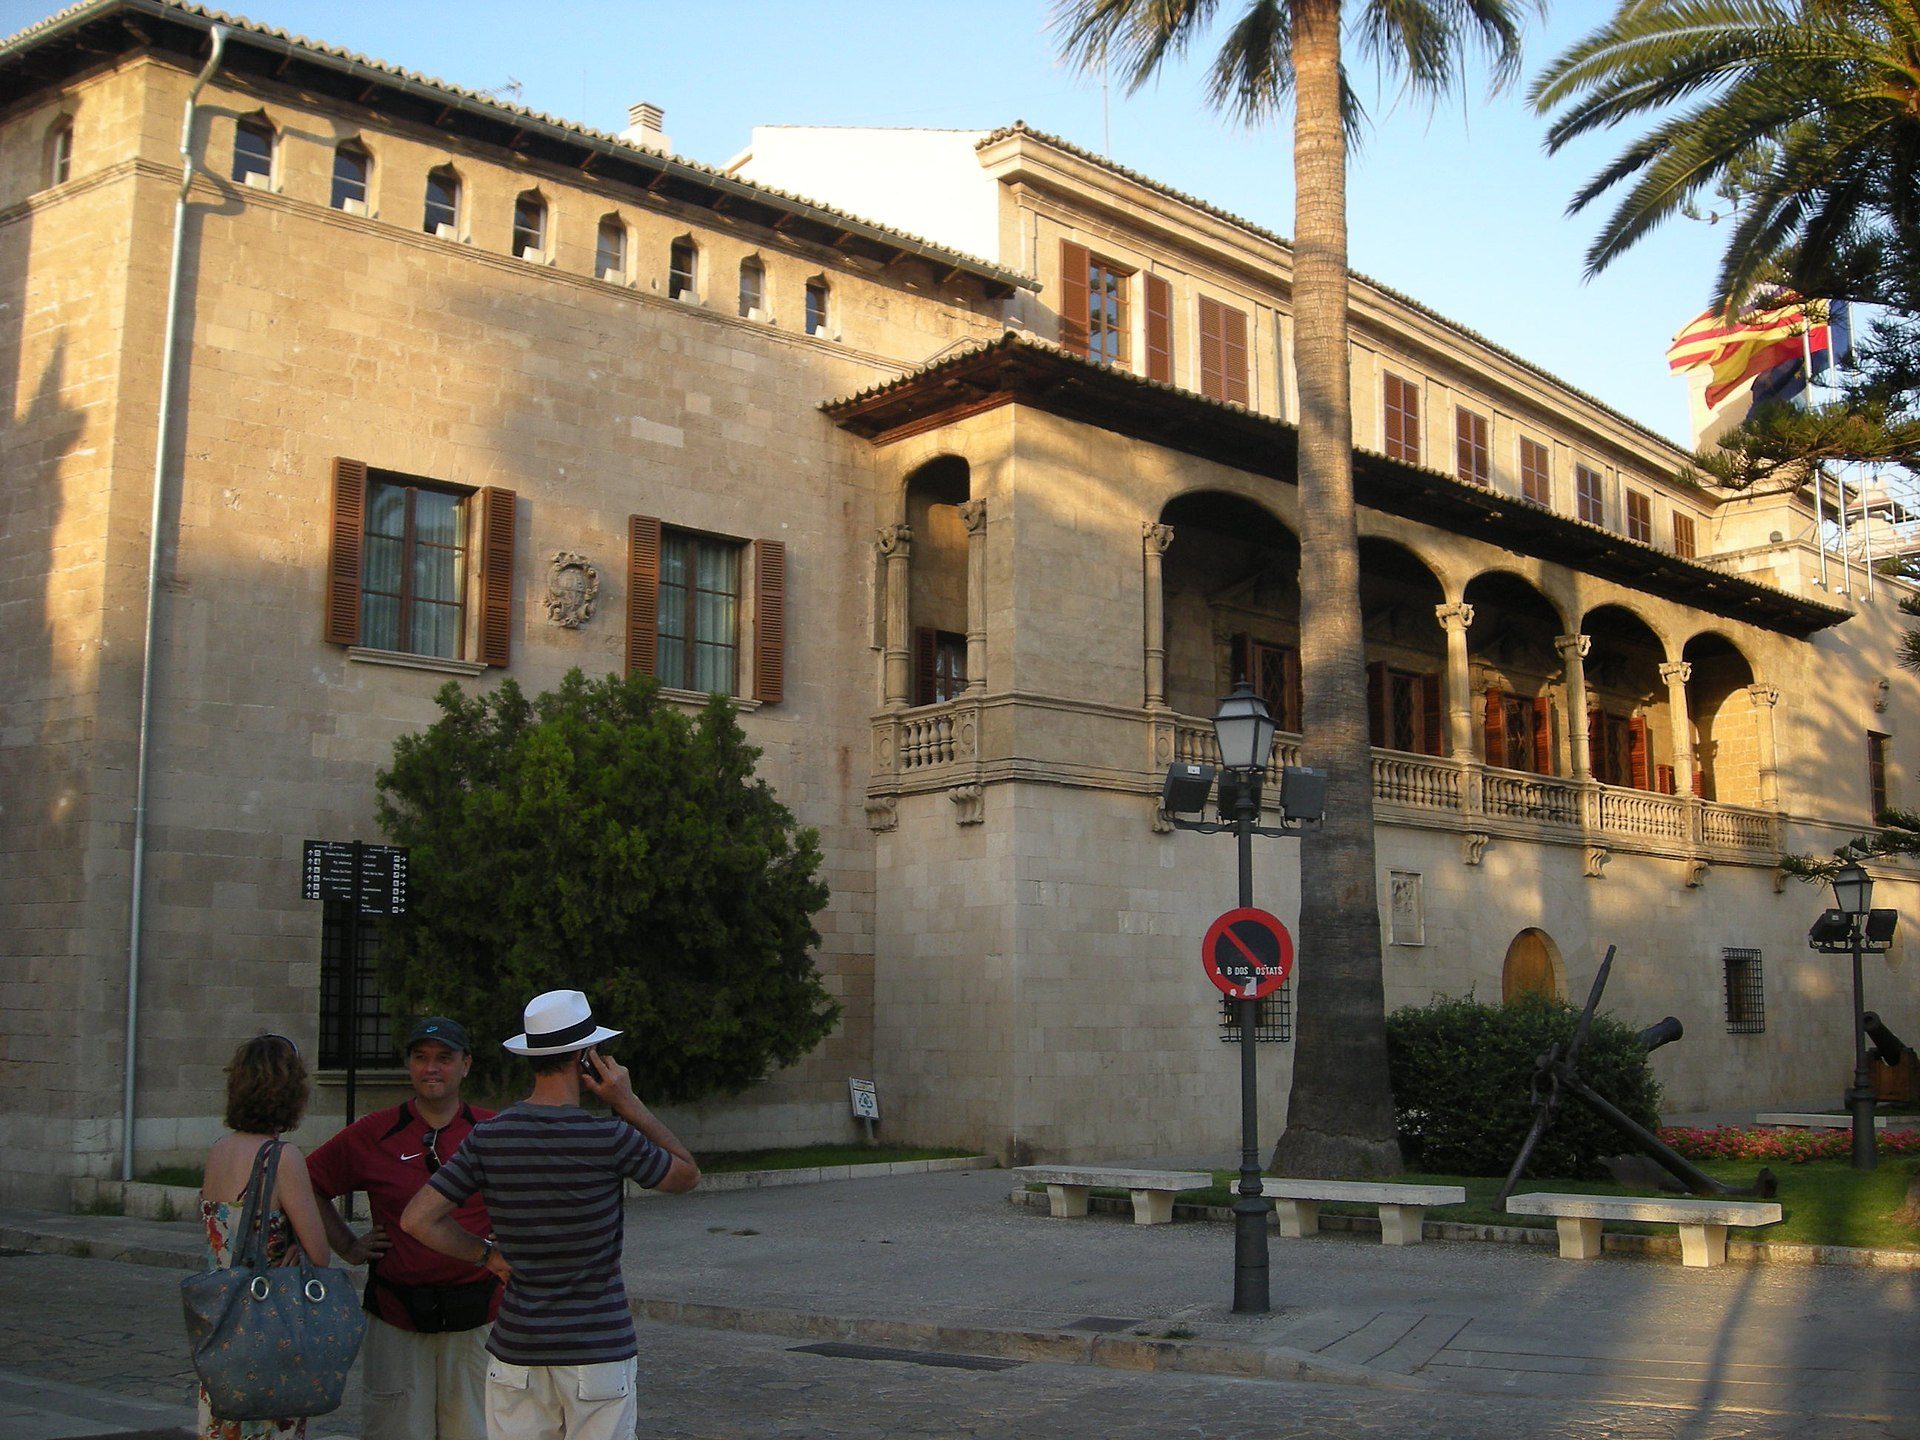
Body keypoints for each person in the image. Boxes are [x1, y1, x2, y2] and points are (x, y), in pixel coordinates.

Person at [401, 990, 699, 1440]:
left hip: (518, 1347)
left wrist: (486, 1256)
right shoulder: (608, 1135)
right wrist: (628, 1103)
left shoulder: (490, 1137)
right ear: (585, 1058)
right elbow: (686, 1175)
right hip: (597, 1344)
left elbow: (418, 1220)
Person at [307, 1017, 499, 1440]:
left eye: (444, 1059)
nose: (431, 1068)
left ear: (465, 1065)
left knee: (476, 1429)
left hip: (478, 1317)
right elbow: (308, 1184)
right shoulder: (375, 1133)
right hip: (397, 1317)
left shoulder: (492, 1132)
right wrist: (348, 1245)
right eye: (421, 1058)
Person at [196, 1033, 333, 1440]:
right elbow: (320, 1254)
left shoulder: (218, 1151)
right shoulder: (282, 1158)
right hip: (268, 1326)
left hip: (222, 1323)